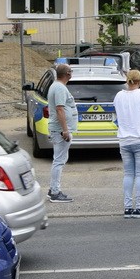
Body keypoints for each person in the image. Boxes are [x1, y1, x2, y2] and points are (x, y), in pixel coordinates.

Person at [113, 69, 140, 217]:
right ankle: (139, 207)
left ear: (127, 80)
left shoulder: (118, 96)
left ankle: (127, 207)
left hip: (125, 139)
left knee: (128, 174)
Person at [46, 62, 78, 203]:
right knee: (59, 161)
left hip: (59, 129)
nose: (71, 74)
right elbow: (60, 109)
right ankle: (55, 192)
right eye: (71, 71)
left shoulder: (57, 86)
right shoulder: (59, 88)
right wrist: (65, 130)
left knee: (59, 159)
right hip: (60, 130)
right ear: (67, 74)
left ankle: (53, 188)